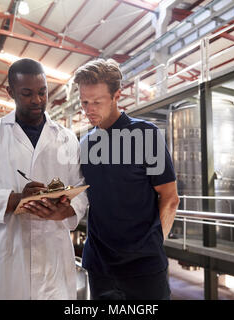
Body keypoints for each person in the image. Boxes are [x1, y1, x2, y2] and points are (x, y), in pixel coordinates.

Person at [0, 58, 88, 300]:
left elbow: (80, 189)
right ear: (10, 92)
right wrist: (15, 200)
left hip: (53, 261)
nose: (37, 100)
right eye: (27, 93)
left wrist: (65, 210)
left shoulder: (66, 139)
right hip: (8, 261)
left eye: (42, 92)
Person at [73, 58, 180, 300]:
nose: (89, 110)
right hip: (99, 266)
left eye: (97, 102)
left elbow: (170, 197)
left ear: (116, 96)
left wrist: (152, 244)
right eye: (84, 102)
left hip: (143, 267)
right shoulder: (85, 143)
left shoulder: (145, 135)